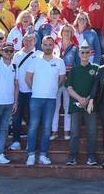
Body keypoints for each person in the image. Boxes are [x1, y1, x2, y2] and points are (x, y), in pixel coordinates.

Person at [25, 35, 66, 166]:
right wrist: (36, 89)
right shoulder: (34, 60)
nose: (48, 47)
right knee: (33, 126)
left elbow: (62, 79)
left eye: (50, 44)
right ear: (41, 46)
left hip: (51, 99)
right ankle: (31, 155)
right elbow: (28, 78)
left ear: (53, 46)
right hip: (36, 98)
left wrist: (52, 89)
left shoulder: (59, 61)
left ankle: (43, 155)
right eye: (45, 44)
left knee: (47, 128)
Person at [66, 42, 100, 166]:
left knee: (92, 132)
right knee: (74, 132)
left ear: (91, 53)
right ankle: (72, 157)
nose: (85, 55)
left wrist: (88, 99)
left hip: (91, 106)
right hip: (76, 105)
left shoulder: (96, 68)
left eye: (87, 52)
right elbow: (69, 88)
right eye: (82, 52)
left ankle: (91, 157)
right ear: (79, 54)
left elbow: (98, 87)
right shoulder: (74, 70)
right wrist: (80, 98)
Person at [9, 31, 36, 151]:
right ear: (22, 41)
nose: (28, 42)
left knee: (32, 118)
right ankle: (16, 141)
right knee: (16, 117)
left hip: (33, 91)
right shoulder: (16, 55)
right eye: (26, 39)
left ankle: (31, 142)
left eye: (31, 40)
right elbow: (13, 71)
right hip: (18, 90)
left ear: (35, 41)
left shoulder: (38, 55)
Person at [53, 23, 78, 140]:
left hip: (69, 80)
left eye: (69, 31)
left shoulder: (75, 48)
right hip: (56, 79)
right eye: (65, 31)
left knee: (67, 106)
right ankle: (54, 131)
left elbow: (77, 66)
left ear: (72, 33)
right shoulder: (55, 45)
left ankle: (67, 131)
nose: (66, 33)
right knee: (55, 106)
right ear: (61, 32)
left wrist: (73, 79)